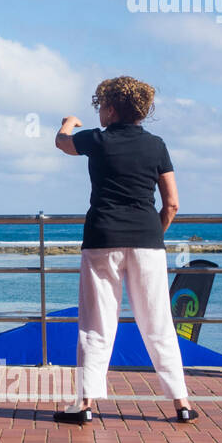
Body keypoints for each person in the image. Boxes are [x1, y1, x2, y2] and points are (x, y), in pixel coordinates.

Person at [55, 76, 198, 424]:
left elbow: (62, 143)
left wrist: (69, 122)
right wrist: (152, 233)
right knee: (158, 323)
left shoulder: (96, 140)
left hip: (102, 238)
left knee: (96, 324)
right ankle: (182, 403)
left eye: (101, 105)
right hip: (147, 241)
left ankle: (85, 405)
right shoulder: (157, 145)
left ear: (112, 108)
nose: (99, 112)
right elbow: (172, 203)